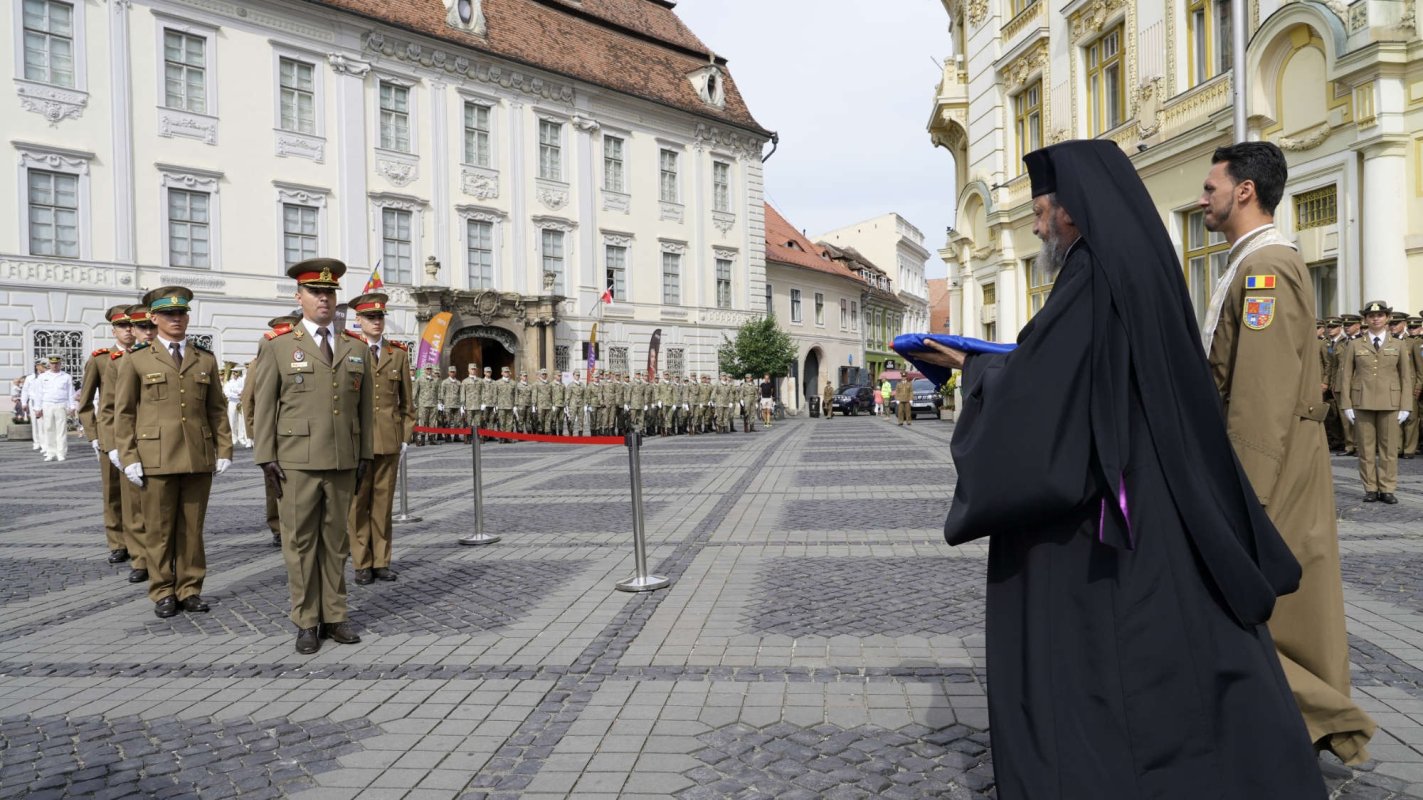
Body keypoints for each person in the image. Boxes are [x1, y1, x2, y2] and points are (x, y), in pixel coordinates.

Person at [913, 140, 1325, 798]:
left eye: (1041, 212)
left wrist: (977, 368)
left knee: (1111, 647)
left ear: (1071, 211)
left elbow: (1048, 391)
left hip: (1104, 507)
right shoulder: (1133, 262)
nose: (1036, 227)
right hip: (1150, 483)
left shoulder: (1092, 272)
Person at [1199, 141, 1376, 763]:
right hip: (1281, 452)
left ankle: (1321, 723)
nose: (1204, 198)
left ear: (1245, 190)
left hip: (1271, 460)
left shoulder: (1265, 269)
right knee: (1288, 609)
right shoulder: (1253, 262)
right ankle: (1299, 729)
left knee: (1267, 606)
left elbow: (1261, 394)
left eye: (1212, 187)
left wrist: (1243, 495)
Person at [252, 259, 373, 654]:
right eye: (316, 292)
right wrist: (266, 457)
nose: (324, 299)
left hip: (342, 460)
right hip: (296, 462)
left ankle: (335, 615)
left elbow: (365, 409)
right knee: (300, 543)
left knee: (336, 542)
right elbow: (264, 405)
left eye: (330, 293)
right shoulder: (279, 346)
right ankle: (306, 620)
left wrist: (365, 455)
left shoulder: (355, 347)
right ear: (299, 297)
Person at [113, 286, 233, 618]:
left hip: (197, 455)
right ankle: (163, 590)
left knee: (192, 529)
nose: (176, 319)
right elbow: (124, 413)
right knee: (159, 529)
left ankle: (190, 588)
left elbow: (217, 408)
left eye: (181, 313)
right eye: (168, 314)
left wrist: (224, 447)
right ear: (154, 318)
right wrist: (129, 457)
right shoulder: (137, 359)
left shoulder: (204, 358)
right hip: (156, 457)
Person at [346, 293, 413, 586]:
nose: (376, 322)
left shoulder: (397, 354)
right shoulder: (349, 350)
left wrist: (405, 436)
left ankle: (381, 561)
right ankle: (362, 563)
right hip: (357, 442)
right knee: (357, 505)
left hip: (388, 440)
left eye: (380, 317)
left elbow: (407, 403)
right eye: (370, 317)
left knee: (383, 505)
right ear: (358, 320)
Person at [78, 306, 136, 565]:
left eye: (131, 325)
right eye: (122, 326)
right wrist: (94, 435)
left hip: (139, 433)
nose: (128, 330)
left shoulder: (146, 355)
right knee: (113, 491)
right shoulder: (101, 359)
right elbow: (85, 402)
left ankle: (139, 540)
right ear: (114, 331)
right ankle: (117, 542)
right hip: (110, 434)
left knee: (138, 492)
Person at [103, 304, 157, 581]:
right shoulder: (117, 360)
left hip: (161, 442)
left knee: (159, 507)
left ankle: (162, 557)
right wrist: (112, 445)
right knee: (132, 504)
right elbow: (110, 409)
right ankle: (140, 559)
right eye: (142, 327)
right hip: (131, 441)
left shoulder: (168, 357)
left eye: (152, 326)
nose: (148, 332)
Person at [1340, 301, 1412, 505]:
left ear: (1387, 318)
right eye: (1371, 316)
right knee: (1366, 449)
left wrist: (1406, 406)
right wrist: (1346, 404)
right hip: (1362, 402)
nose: (1376, 319)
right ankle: (1370, 488)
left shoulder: (1398, 344)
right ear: (1365, 319)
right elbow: (1346, 376)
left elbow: (1406, 377)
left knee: (1389, 450)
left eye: (1380, 315)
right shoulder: (1355, 344)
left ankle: (1387, 488)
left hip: (1390, 402)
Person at [243, 315, 299, 546]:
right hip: (271, 433)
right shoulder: (258, 362)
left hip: (296, 433)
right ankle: (277, 527)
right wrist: (255, 434)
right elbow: (249, 399)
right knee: (273, 484)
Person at [31, 355, 77, 461]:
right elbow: (39, 393)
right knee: (48, 429)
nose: (55, 365)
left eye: (57, 363)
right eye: (52, 363)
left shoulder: (66, 376)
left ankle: (61, 453)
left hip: (61, 404)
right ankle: (50, 452)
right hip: (47, 404)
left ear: (60, 364)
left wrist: (72, 406)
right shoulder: (43, 377)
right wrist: (37, 408)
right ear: (49, 364)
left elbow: (70, 393)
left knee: (61, 430)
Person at [222, 367, 248, 448]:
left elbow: (245, 390)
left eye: (236, 372)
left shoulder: (243, 381)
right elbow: (227, 393)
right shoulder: (229, 382)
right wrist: (237, 395)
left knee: (241, 420)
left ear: (239, 372)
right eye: (233, 372)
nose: (234, 374)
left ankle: (241, 437)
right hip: (232, 402)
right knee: (232, 420)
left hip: (241, 402)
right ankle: (234, 437)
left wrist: (237, 393)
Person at [413, 366, 439, 445]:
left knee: (432, 422)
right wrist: (414, 402)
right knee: (422, 421)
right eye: (427, 369)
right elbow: (415, 392)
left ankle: (432, 438)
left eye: (430, 369)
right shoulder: (420, 379)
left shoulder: (435, 379)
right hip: (423, 404)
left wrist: (439, 402)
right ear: (424, 370)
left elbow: (438, 391)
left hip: (433, 404)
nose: (429, 370)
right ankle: (422, 439)